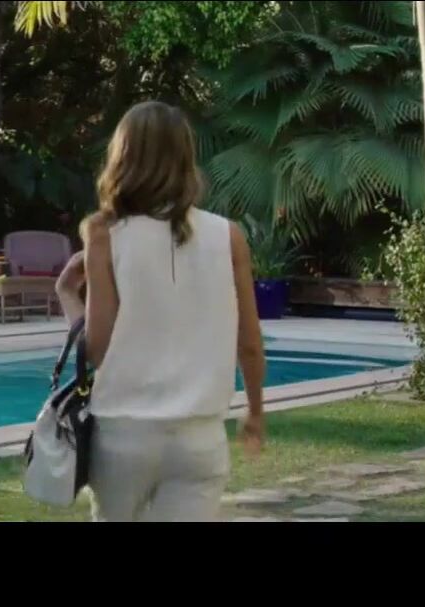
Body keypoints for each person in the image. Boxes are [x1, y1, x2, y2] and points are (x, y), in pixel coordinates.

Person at [53, 100, 267, 522]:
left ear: (122, 156)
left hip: (124, 435)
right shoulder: (228, 236)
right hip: (199, 437)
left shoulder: (104, 233)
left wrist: (66, 293)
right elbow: (249, 344)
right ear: (185, 158)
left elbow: (98, 349)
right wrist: (256, 412)